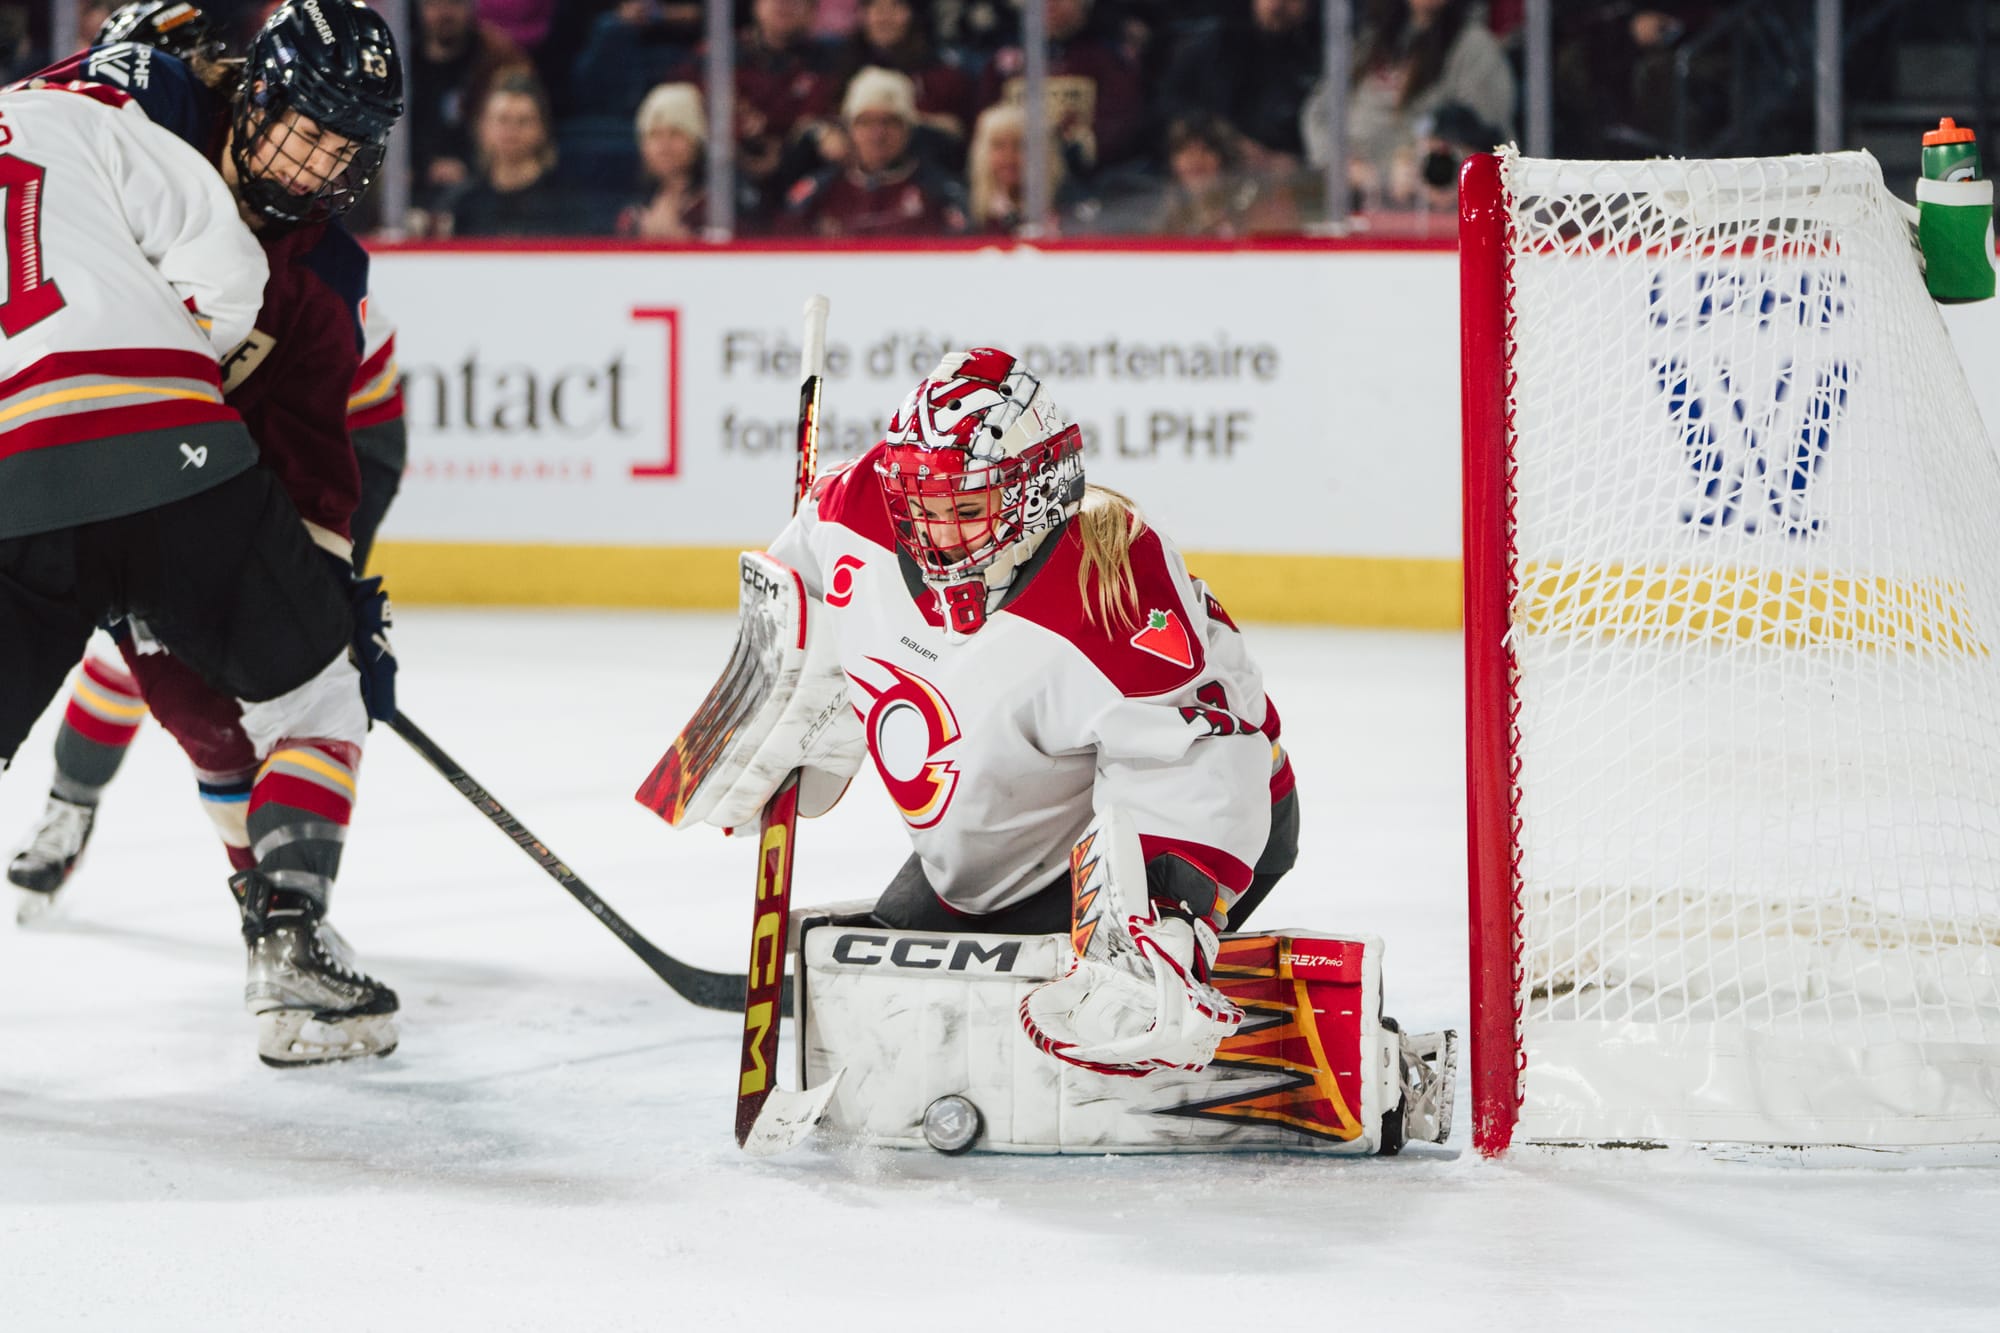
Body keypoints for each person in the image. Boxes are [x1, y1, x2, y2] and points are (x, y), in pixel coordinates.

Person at [7, 0, 404, 1066]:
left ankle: (278, 934)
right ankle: (279, 930)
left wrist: (333, 587)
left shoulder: (326, 271)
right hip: (165, 454)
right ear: (252, 91)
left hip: (94, 470)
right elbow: (221, 277)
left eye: (342, 149)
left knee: (228, 716)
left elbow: (321, 458)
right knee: (280, 702)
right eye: (303, 131)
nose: (317, 166)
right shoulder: (162, 113)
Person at [762, 347, 1299, 1075]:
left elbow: (1193, 754)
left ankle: (1173, 967)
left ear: (1034, 492)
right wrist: (772, 702)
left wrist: (1166, 923)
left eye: (965, 509)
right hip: (1004, 846)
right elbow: (796, 586)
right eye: (924, 507)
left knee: (1094, 1017)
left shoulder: (1110, 581)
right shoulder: (857, 506)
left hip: (1200, 823)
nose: (937, 534)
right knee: (898, 1014)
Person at [1302, 0, 1515, 210]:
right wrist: (1340, 163)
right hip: (1350, 200)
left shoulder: (1475, 47)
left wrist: (1428, 164)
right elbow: (1318, 113)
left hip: (1426, 209)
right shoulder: (1372, 39)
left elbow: (1490, 142)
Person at [782, 65, 965, 237]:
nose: (878, 134)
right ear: (850, 129)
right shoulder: (818, 192)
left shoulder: (941, 192)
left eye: (889, 122)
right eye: (866, 122)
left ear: (908, 130)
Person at [439, 69, 599, 236]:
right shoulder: (462, 203)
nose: (512, 130)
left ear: (542, 129)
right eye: (502, 120)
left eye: (523, 121)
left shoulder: (566, 203)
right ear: (483, 127)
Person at [615, 81, 706, 240]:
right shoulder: (632, 214)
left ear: (697, 143)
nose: (664, 146)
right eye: (655, 135)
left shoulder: (722, 210)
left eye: (676, 133)